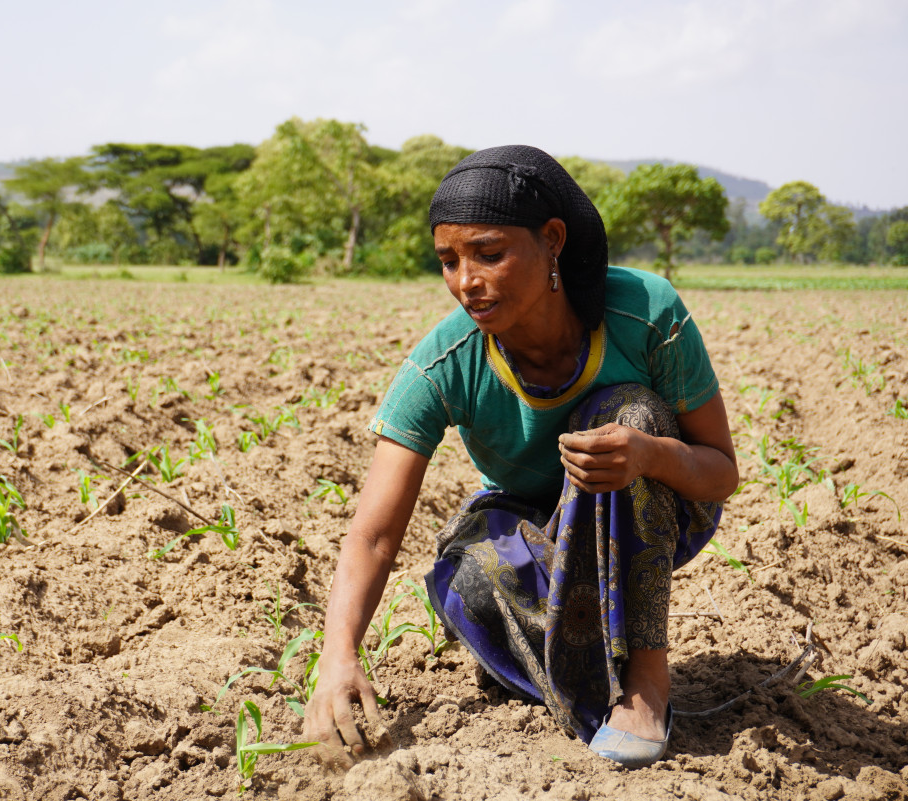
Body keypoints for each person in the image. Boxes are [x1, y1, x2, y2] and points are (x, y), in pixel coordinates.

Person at [303, 145, 738, 770]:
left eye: (489, 253)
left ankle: (645, 683)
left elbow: (721, 472)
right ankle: (585, 682)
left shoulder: (645, 312)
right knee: (469, 576)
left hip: (649, 510)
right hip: (533, 534)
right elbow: (373, 534)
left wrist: (647, 455)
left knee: (627, 413)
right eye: (448, 261)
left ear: (552, 241)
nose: (466, 282)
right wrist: (337, 655)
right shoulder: (443, 363)